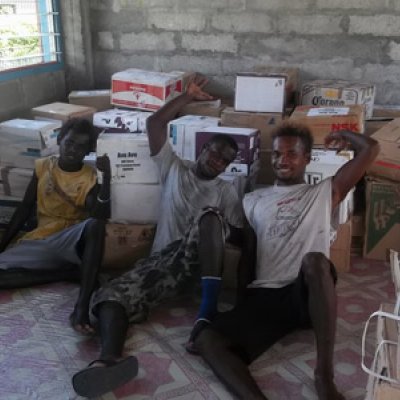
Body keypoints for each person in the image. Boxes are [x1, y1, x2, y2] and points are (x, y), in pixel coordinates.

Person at [71, 75, 244, 398]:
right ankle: (107, 361)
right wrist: (185, 97)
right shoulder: (174, 167)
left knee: (209, 217)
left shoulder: (226, 191)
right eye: (214, 154)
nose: (218, 163)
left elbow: (241, 237)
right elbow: (154, 124)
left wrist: (219, 226)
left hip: (199, 266)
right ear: (203, 149)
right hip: (164, 264)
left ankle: (206, 312)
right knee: (110, 295)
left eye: (225, 161)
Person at [194, 121, 380, 400]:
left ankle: (324, 376)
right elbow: (249, 253)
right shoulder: (253, 200)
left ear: (307, 158)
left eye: (292, 153)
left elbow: (371, 148)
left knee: (315, 261)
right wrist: (241, 306)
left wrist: (343, 135)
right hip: (267, 296)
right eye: (278, 154)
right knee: (208, 340)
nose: (283, 160)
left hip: (306, 293)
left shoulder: (325, 192)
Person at [0, 118, 111, 335]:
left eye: (80, 147)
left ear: (88, 150)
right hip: (41, 240)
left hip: (69, 239)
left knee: (96, 225)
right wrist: (3, 244)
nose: (72, 150)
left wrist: (105, 178)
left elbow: (99, 214)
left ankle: (81, 306)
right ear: (60, 140)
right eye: (69, 143)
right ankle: (63, 274)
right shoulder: (43, 167)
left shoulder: (88, 177)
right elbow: (24, 208)